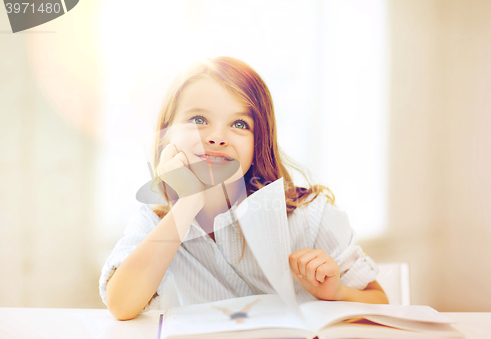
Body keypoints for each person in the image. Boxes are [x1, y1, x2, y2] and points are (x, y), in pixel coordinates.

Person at [99, 56, 388, 321]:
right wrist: (187, 203)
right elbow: (121, 305)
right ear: (166, 135)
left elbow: (380, 303)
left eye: (239, 124)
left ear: (258, 142)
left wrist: (335, 293)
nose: (216, 137)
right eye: (198, 120)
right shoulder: (155, 219)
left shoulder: (309, 215)